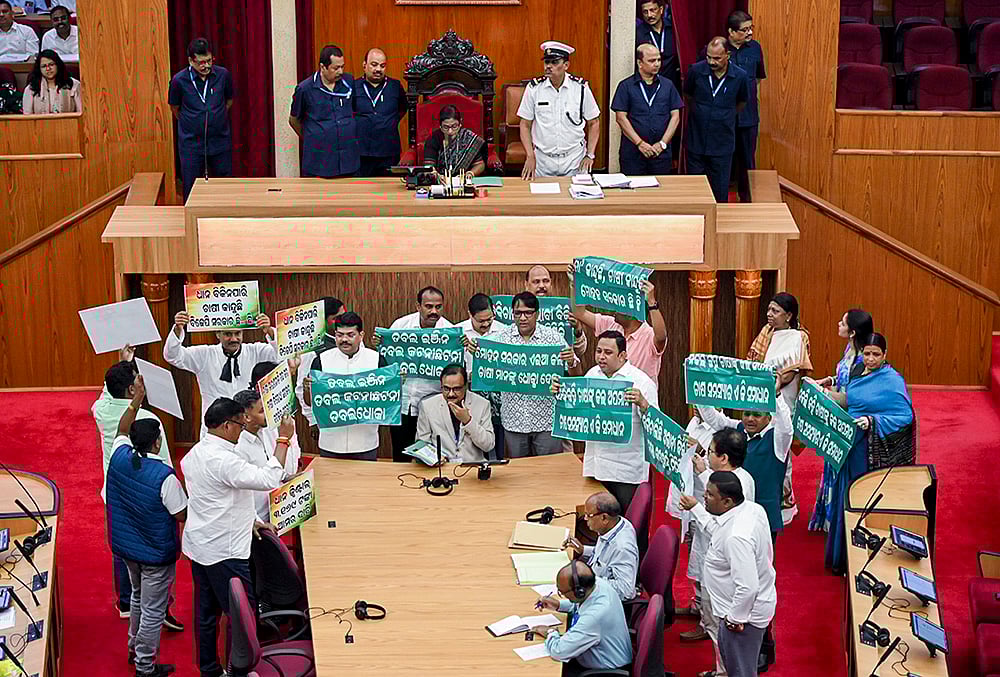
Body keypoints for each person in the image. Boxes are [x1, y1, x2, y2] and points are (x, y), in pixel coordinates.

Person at [181, 397, 290, 677]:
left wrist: (253, 521)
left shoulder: (194, 453)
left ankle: (209, 669)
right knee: (241, 616)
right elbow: (268, 479)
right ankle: (238, 671)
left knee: (206, 615)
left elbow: (221, 500)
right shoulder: (224, 460)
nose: (243, 430)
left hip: (200, 546)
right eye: (240, 425)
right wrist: (284, 441)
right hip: (225, 551)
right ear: (227, 426)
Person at [696, 391, 790, 672]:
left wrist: (777, 398)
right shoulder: (737, 432)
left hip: (760, 523)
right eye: (746, 413)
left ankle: (762, 647)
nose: (749, 419)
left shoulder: (777, 439)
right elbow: (713, 418)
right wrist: (698, 388)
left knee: (756, 577)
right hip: (740, 519)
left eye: (756, 414)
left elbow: (786, 425)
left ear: (768, 417)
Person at [92, 349, 181, 630]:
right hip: (148, 494)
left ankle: (127, 602)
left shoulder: (100, 411)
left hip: (115, 491)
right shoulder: (145, 419)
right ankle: (159, 606)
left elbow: (106, 393)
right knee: (154, 548)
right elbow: (163, 462)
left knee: (124, 547)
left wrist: (125, 363)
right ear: (133, 389)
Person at [105, 375, 188, 677]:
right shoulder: (164, 476)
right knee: (153, 610)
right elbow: (181, 515)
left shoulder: (118, 455)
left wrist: (135, 401)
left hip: (127, 548)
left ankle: (133, 649)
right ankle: (144, 666)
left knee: (138, 598)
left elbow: (120, 430)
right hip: (155, 554)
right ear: (157, 442)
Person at [824, 333, 915, 574]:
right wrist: (824, 393)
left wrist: (872, 421)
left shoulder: (893, 381)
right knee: (844, 494)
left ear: (885, 355)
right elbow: (848, 401)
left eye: (876, 354)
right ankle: (841, 556)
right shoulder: (856, 372)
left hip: (868, 449)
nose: (871, 359)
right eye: (867, 353)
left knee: (860, 497)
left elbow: (904, 416)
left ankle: (861, 557)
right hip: (847, 443)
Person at [550, 330, 658, 513]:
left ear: (623, 355)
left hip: (626, 471)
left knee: (628, 524)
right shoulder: (592, 374)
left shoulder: (642, 383)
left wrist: (643, 404)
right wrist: (561, 392)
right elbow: (579, 411)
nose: (601, 357)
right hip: (596, 466)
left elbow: (655, 429)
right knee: (597, 521)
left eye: (608, 353)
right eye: (598, 351)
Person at [681, 471, 775, 677]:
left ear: (727, 502)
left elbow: (748, 587)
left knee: (740, 672)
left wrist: (733, 620)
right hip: (746, 611)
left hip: (741, 620)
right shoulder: (751, 509)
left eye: (710, 495)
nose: (704, 496)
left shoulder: (736, 538)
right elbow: (718, 530)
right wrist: (697, 507)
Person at [677, 428, 756, 665]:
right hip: (715, 565)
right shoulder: (738, 478)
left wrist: (695, 507)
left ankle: (723, 671)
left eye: (710, 451)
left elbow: (719, 529)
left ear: (723, 458)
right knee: (714, 623)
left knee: (719, 626)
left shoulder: (736, 486)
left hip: (724, 573)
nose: (706, 456)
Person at [478, 292, 579, 458]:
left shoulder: (554, 338)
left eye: (528, 313)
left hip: (547, 420)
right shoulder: (500, 338)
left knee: (548, 472)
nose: (523, 318)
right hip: (514, 420)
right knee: (518, 475)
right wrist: (477, 352)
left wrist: (570, 362)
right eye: (518, 313)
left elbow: (575, 374)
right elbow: (485, 368)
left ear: (537, 314)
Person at [746, 292, 812, 524]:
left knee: (780, 447)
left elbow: (791, 370)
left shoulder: (797, 336)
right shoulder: (767, 333)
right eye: (769, 309)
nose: (769, 314)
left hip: (781, 399)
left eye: (775, 311)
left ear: (789, 315)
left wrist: (773, 387)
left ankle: (783, 504)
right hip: (763, 397)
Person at [163, 310, 277, 439]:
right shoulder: (204, 354)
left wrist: (270, 331)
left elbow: (282, 355)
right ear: (218, 334)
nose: (234, 339)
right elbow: (172, 356)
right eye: (228, 334)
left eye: (237, 333)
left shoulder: (255, 351)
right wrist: (178, 329)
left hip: (248, 428)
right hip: (216, 428)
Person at [809, 309, 873, 533]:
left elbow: (848, 399)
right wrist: (828, 380)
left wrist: (820, 394)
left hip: (846, 420)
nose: (838, 324)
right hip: (834, 414)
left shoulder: (861, 361)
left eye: (843, 322)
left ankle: (838, 523)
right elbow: (842, 378)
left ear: (853, 332)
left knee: (839, 470)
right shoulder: (849, 349)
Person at [374, 286, 454, 461]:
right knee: (400, 455)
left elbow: (454, 370)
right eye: (429, 306)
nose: (434, 311)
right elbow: (386, 358)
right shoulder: (400, 326)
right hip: (402, 403)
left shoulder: (450, 332)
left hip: (432, 404)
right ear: (418, 306)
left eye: (438, 307)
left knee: (429, 456)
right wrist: (380, 344)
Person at [304, 311, 389, 460]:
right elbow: (311, 402)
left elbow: (387, 400)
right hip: (330, 443)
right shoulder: (321, 360)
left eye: (350, 335)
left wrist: (396, 384)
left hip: (365, 442)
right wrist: (307, 389)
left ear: (361, 335)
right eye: (339, 335)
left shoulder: (376, 360)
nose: (344, 339)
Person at [567, 262, 666, 383]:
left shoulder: (649, 335)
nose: (614, 308)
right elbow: (579, 313)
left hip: (639, 398)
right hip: (611, 397)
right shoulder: (610, 324)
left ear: (631, 310)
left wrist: (651, 301)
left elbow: (661, 337)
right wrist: (575, 284)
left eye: (620, 304)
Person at [530, 561, 632, 675]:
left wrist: (549, 632)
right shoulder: (597, 584)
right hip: (599, 655)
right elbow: (582, 605)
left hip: (604, 671)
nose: (562, 594)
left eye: (563, 592)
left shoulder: (594, 617)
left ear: (579, 592)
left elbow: (559, 651)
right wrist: (559, 605)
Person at [518, 41, 600, 180]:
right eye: (546, 62)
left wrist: (590, 155)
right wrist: (530, 155)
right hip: (543, 161)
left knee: (577, 200)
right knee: (541, 200)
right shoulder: (534, 89)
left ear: (566, 65)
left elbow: (594, 123)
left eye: (554, 62)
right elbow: (525, 124)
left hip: (574, 160)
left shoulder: (580, 88)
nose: (548, 66)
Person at [683, 37, 749, 203]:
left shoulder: (740, 76)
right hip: (696, 141)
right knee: (694, 190)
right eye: (709, 57)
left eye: (717, 58)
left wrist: (724, 115)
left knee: (719, 191)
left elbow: (741, 102)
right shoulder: (696, 71)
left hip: (722, 143)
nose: (711, 62)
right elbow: (688, 95)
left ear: (728, 55)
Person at [168, 38, 234, 200]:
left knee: (224, 186)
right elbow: (174, 107)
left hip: (219, 140)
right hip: (192, 143)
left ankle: (223, 221)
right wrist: (192, 121)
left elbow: (229, 100)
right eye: (201, 62)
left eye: (209, 61)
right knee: (191, 186)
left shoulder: (222, 75)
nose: (206, 66)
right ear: (191, 61)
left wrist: (215, 117)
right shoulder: (179, 80)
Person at [611, 43, 682, 176]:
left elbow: (675, 117)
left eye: (659, 60)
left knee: (660, 193)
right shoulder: (626, 86)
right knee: (634, 193)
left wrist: (662, 143)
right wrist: (640, 143)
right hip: (633, 152)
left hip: (661, 152)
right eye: (651, 61)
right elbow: (621, 118)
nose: (657, 64)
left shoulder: (668, 85)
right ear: (640, 63)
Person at [290, 44, 360, 178]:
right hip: (319, 163)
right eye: (336, 68)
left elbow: (354, 109)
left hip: (348, 161)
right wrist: (313, 137)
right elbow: (294, 120)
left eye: (342, 67)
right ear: (322, 67)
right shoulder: (305, 89)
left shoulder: (349, 82)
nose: (340, 72)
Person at [233, 389, 299, 522]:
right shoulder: (239, 448)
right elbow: (239, 495)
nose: (268, 414)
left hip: (274, 507)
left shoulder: (263, 432)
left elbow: (269, 465)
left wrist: (287, 477)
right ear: (247, 417)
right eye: (262, 411)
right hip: (258, 519)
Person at [563, 492, 639, 601]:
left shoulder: (622, 548)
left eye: (588, 515)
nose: (585, 519)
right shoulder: (615, 524)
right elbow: (606, 553)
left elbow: (626, 590)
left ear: (604, 518)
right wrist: (583, 550)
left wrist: (588, 581)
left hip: (602, 599)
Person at [458, 293, 507, 459]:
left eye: (489, 319)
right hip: (470, 392)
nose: (486, 324)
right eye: (481, 321)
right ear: (470, 315)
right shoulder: (459, 333)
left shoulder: (505, 332)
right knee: (473, 433)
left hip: (498, 393)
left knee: (497, 436)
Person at [725, 10, 766, 203]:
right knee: (722, 159)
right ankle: (720, 199)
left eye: (751, 28)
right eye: (744, 30)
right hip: (724, 117)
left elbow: (757, 78)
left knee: (747, 160)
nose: (750, 33)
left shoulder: (755, 48)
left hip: (748, 116)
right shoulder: (718, 49)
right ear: (731, 32)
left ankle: (747, 199)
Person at [415, 364, 494, 463]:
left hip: (472, 467)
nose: (451, 394)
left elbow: (488, 445)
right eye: (446, 389)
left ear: (466, 386)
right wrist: (434, 458)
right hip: (441, 468)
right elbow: (421, 444)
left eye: (456, 389)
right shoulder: (427, 406)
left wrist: (468, 421)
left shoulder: (482, 404)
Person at [294, 296, 345, 430]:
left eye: (344, 315)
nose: (343, 321)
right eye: (337, 318)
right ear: (324, 321)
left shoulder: (355, 339)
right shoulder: (311, 350)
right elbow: (302, 387)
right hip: (327, 416)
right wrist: (312, 420)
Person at [353, 47, 406, 177]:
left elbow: (403, 109)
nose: (378, 69)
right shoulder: (353, 86)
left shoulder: (395, 86)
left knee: (388, 193)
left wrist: (388, 123)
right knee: (362, 192)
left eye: (382, 66)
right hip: (361, 153)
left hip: (388, 152)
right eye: (374, 65)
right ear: (364, 65)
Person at [526, 264, 588, 359]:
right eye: (536, 282)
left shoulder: (564, 310)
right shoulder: (518, 312)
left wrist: (577, 330)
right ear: (526, 285)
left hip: (560, 369)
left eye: (546, 281)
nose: (541, 285)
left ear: (551, 284)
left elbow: (580, 351)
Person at [422, 104, 487, 178]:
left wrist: (470, 173)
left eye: (454, 126)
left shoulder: (468, 139)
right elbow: (428, 166)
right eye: (446, 127)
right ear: (440, 126)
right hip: (440, 182)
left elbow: (480, 164)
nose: (450, 131)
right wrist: (435, 175)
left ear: (460, 123)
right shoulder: (433, 139)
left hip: (463, 181)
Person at [21, 49, 80, 114]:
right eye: (43, 66)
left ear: (58, 65)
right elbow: (27, 117)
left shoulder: (74, 85)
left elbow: (81, 113)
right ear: (39, 69)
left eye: (51, 64)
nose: (48, 69)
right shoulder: (31, 89)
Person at [636, 0, 679, 90]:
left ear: (661, 9)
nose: (649, 15)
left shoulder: (674, 28)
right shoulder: (638, 33)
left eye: (653, 10)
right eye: (645, 12)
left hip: (672, 83)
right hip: (648, 85)